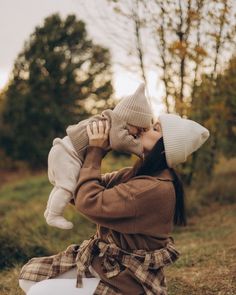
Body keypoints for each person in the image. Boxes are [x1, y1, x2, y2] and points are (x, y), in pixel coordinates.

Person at [19, 113, 210, 294]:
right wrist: (97, 143)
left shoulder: (153, 189)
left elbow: (88, 201)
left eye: (155, 128)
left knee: (39, 292)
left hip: (126, 280)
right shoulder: (135, 175)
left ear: (166, 146)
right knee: (28, 278)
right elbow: (83, 187)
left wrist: (96, 150)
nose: (145, 129)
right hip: (104, 265)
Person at [44, 83, 153, 230]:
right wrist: (142, 150)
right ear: (129, 119)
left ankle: (49, 212)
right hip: (68, 153)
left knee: (62, 186)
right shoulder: (116, 124)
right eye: (138, 130)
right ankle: (54, 215)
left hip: (63, 150)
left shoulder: (111, 120)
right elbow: (120, 142)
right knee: (67, 187)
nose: (136, 135)